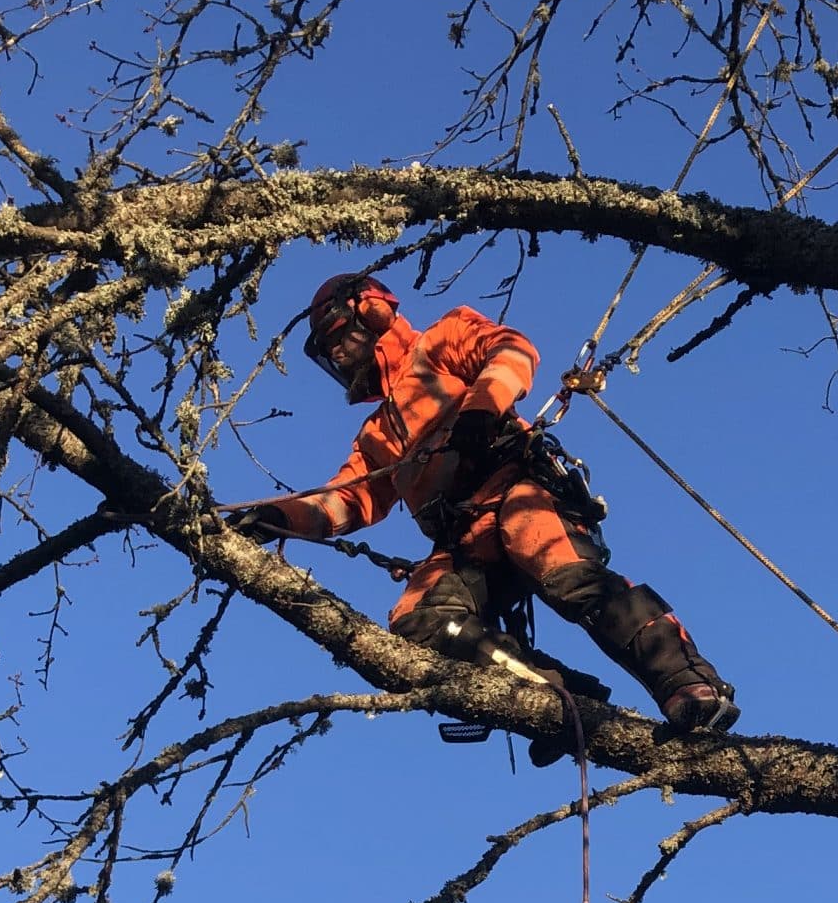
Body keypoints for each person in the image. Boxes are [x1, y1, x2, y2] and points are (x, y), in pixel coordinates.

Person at [229, 273, 739, 747]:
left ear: (373, 314)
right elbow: (347, 499)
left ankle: (686, 684)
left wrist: (481, 408)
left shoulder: (441, 341)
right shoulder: (377, 437)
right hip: (464, 540)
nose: (339, 355)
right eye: (329, 350)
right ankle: (557, 699)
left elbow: (513, 350)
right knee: (420, 621)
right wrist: (279, 517)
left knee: (568, 577)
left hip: (515, 489)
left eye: (341, 337)